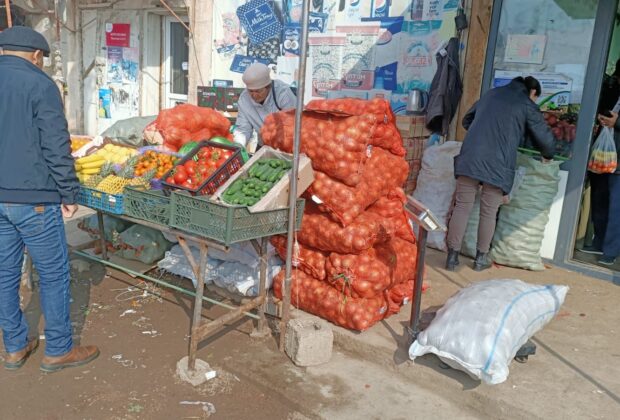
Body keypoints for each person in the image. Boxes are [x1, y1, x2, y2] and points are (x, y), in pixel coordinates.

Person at [0, 26, 99, 372]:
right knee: (54, 273)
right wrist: (69, 191)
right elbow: (56, 144)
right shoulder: (40, 84)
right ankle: (58, 348)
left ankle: (14, 346)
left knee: (4, 273)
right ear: (36, 56)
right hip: (35, 198)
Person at [445, 76, 556, 271]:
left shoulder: (491, 94)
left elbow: (467, 120)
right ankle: (480, 259)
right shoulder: (526, 104)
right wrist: (548, 154)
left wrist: (483, 133)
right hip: (499, 163)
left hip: (471, 157)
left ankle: (452, 257)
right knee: (489, 212)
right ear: (532, 92)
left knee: (462, 206)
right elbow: (544, 139)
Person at [580, 59, 620, 265]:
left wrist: (617, 122)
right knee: (599, 200)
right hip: (603, 158)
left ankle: (610, 252)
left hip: (618, 162)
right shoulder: (613, 91)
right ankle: (599, 242)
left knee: (616, 208)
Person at [233, 62, 296, 151]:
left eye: (258, 91)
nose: (254, 95)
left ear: (268, 87)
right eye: (250, 91)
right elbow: (243, 129)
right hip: (263, 144)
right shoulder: (244, 100)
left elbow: (293, 123)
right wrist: (239, 146)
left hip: (287, 145)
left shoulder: (282, 93)